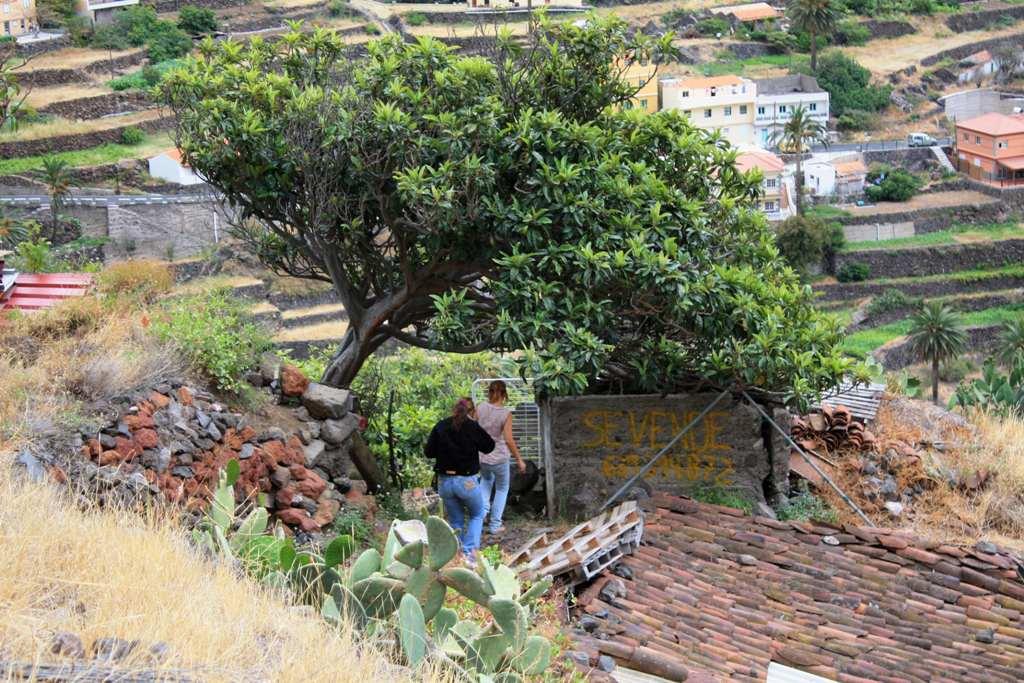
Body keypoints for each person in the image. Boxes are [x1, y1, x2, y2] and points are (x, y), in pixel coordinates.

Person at [424, 397, 495, 565]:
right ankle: (470, 555)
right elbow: (489, 446)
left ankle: (459, 556)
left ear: (453, 410)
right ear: (471, 412)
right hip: (467, 481)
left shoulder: (441, 426)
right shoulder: (472, 427)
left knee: (456, 520)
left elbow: (429, 452)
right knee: (477, 514)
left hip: (445, 482)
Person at [476, 381, 527, 536]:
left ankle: (480, 516)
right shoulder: (506, 414)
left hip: (482, 457)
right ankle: (495, 525)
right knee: (502, 489)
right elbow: (509, 440)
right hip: (499, 458)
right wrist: (519, 459)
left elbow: (472, 429)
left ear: (489, 392)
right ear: (504, 394)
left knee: (485, 482)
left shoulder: (480, 408)